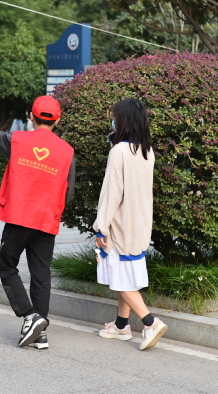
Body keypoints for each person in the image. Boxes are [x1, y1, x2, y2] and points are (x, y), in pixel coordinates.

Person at [0, 96, 75, 349]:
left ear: (31, 116)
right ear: (58, 120)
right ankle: (40, 333)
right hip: (47, 218)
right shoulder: (67, 151)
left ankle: (30, 316)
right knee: (41, 275)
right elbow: (69, 191)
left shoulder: (18, 140)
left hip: (20, 216)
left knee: (7, 266)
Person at [93, 98, 168, 351]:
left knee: (119, 276)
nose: (112, 120)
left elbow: (112, 192)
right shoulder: (147, 151)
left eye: (114, 116)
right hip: (139, 223)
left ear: (122, 120)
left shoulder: (119, 152)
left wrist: (101, 226)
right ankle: (121, 325)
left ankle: (150, 322)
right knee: (126, 274)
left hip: (119, 224)